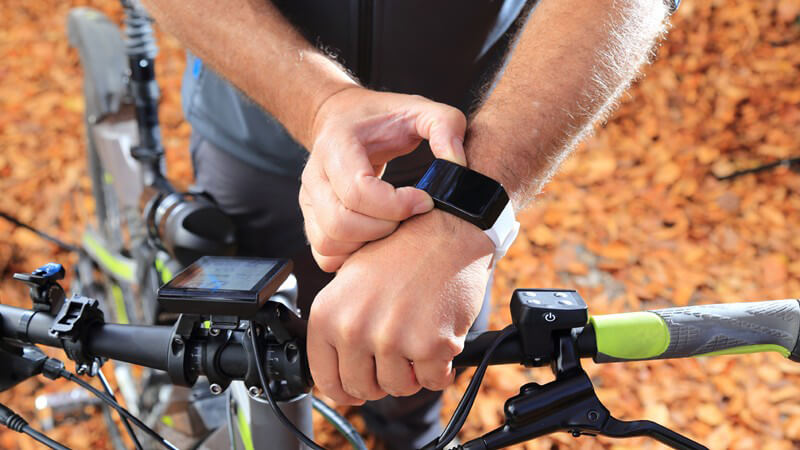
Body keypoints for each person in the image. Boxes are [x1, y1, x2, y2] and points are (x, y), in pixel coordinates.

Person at [141, 0, 674, 447]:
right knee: (246, 360)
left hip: (463, 150)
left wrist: (463, 215)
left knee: (415, 373)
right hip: (253, 131)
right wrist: (320, 102)